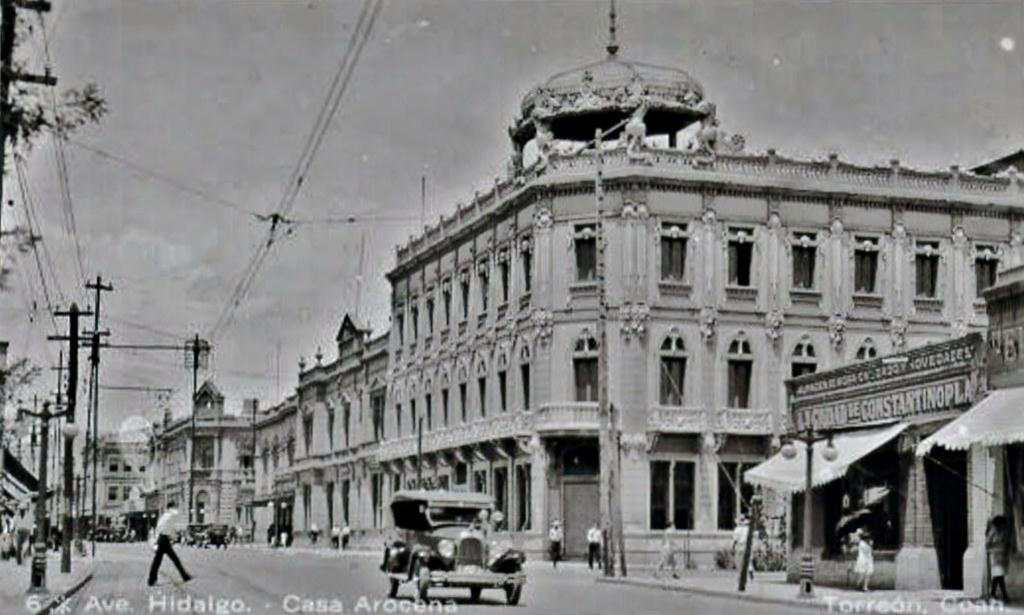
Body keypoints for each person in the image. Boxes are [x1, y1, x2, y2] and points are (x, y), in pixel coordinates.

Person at [148, 504, 192, 587]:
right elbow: (176, 526)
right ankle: (185, 576)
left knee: (159, 561)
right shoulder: (172, 515)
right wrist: (178, 532)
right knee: (173, 559)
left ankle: (151, 579)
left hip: (162, 538)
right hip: (164, 540)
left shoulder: (164, 516)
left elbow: (160, 527)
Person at [987, 516, 1010, 603]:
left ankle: (994, 595)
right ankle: (1003, 595)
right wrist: (994, 548)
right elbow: (988, 544)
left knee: (999, 576)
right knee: (998, 576)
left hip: (1002, 556)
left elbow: (1006, 543)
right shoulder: (993, 532)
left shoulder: (1003, 531)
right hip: (995, 556)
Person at [732, 515, 753, 581]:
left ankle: (740, 576)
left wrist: (733, 547)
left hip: (740, 545)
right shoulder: (748, 529)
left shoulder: (737, 529)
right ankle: (750, 569)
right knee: (748, 560)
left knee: (739, 561)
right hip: (747, 545)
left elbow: (735, 540)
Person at [14, 501, 34, 566]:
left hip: (26, 531)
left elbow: (31, 524)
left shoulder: (29, 515)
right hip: (19, 532)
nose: (22, 510)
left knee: (26, 546)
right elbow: (15, 524)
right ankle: (19, 561)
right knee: (18, 547)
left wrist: (31, 532)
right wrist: (15, 531)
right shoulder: (17, 515)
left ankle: (24, 559)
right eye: (21, 509)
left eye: (23, 509)